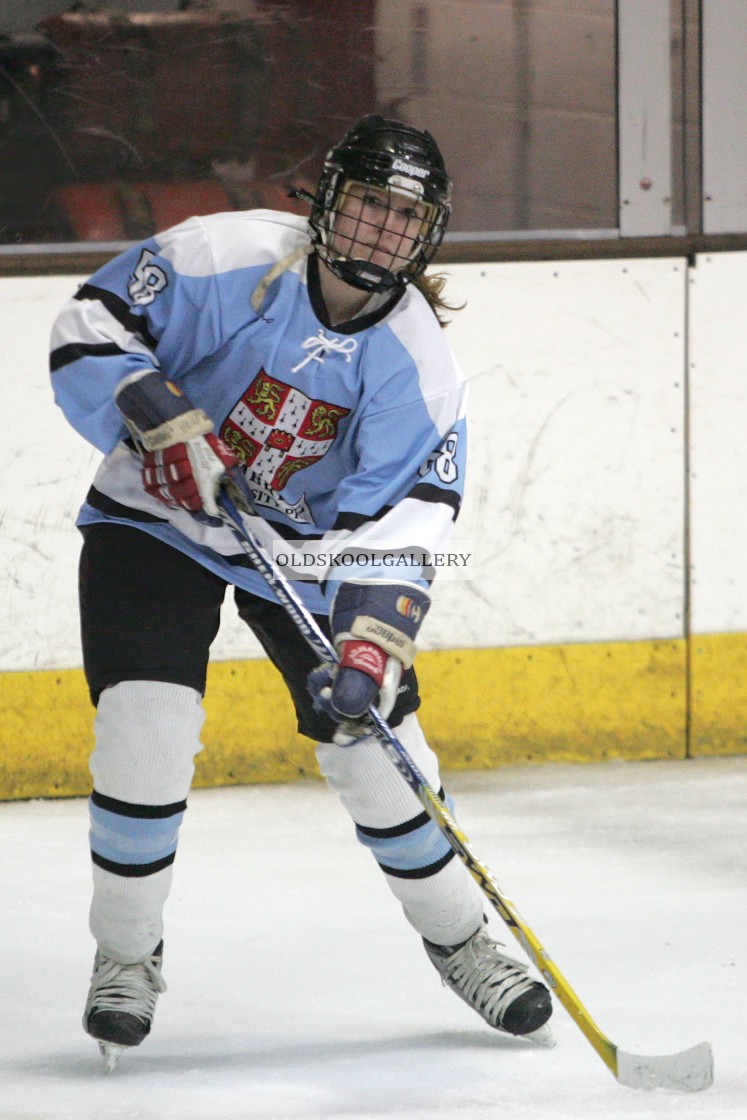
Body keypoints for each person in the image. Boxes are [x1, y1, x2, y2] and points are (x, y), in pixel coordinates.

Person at [50, 114, 553, 1066]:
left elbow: (403, 522)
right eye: (367, 202)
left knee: (377, 748)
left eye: (406, 215)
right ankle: (124, 955)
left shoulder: (418, 364)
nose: (381, 230)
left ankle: (461, 939)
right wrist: (154, 412)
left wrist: (365, 645)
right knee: (144, 729)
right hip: (154, 525)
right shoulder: (222, 254)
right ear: (324, 202)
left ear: (428, 232)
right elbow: (92, 322)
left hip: (310, 557)